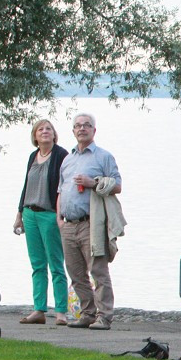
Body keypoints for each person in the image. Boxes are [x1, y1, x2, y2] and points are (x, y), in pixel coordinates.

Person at [56, 112, 123, 331]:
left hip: (91, 223)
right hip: (69, 224)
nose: (82, 129)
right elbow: (61, 190)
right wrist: (59, 219)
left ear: (94, 130)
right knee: (75, 273)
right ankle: (87, 313)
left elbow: (118, 186)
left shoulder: (103, 157)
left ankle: (104, 317)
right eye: (78, 126)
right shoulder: (68, 159)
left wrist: (92, 182)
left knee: (98, 271)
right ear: (73, 131)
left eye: (86, 125)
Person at [14, 119, 70, 325]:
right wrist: (19, 213)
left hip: (49, 215)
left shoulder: (61, 156)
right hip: (30, 214)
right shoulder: (33, 156)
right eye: (40, 129)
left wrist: (60, 215)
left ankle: (61, 311)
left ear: (54, 134)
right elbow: (26, 185)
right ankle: (39, 310)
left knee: (56, 264)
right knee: (37, 264)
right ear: (35, 136)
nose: (45, 132)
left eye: (48, 129)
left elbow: (65, 187)